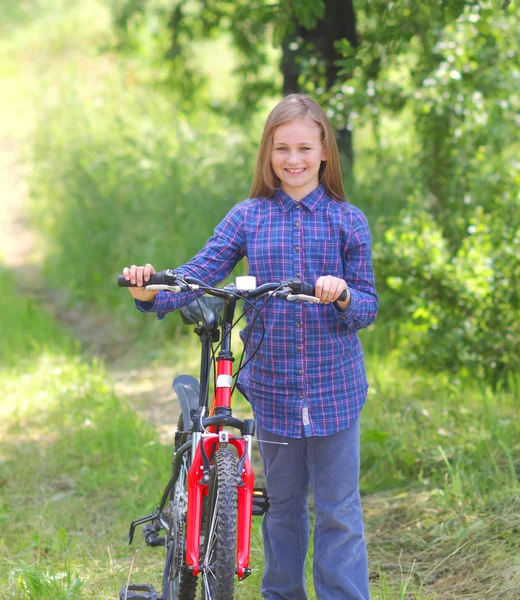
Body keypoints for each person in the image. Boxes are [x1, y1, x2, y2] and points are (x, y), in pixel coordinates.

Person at [122, 93, 378, 600]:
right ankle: (281, 594)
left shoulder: (348, 221)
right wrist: (151, 291)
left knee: (338, 509)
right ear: (268, 153)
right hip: (275, 387)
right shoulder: (248, 217)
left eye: (305, 147)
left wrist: (343, 294)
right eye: (282, 148)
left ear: (325, 150)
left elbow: (367, 307)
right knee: (282, 504)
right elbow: (199, 274)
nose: (294, 159)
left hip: (335, 388)